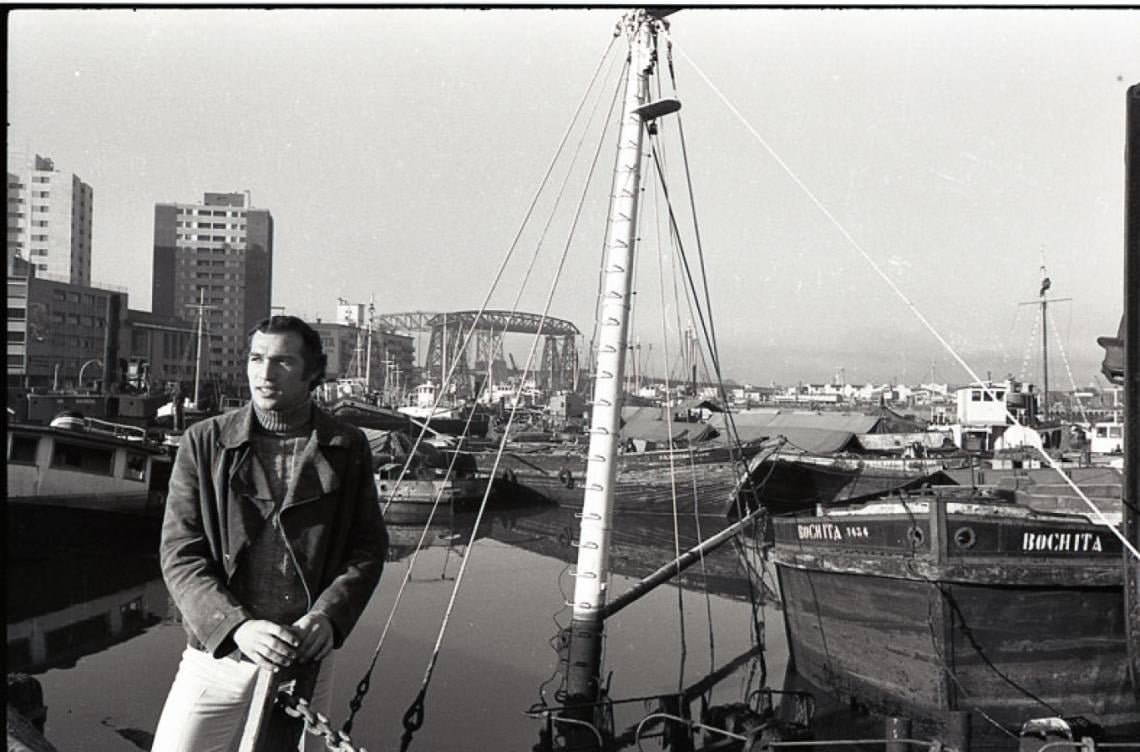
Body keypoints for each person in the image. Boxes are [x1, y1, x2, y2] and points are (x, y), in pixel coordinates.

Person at [153, 315, 388, 751]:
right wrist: (237, 627)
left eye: (282, 361)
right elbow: (180, 553)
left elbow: (368, 548)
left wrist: (328, 616)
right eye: (257, 358)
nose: (264, 373)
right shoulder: (204, 442)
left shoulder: (346, 445)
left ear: (312, 372)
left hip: (305, 654)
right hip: (218, 653)